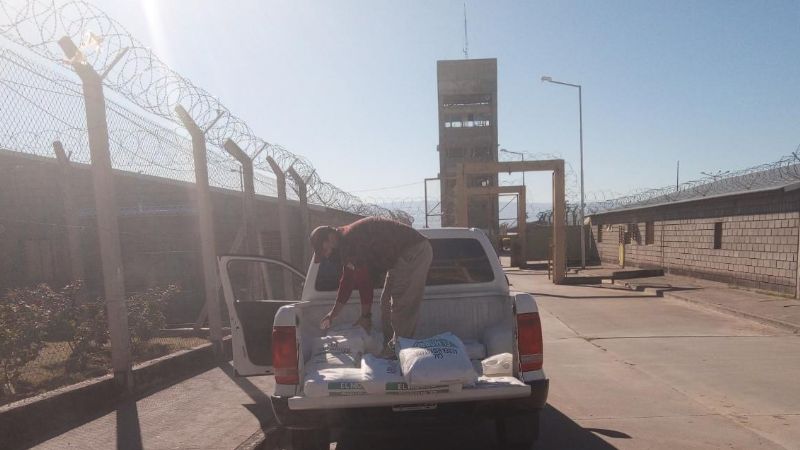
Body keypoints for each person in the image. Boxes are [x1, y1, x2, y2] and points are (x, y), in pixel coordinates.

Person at [310, 217, 433, 355]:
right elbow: (347, 281)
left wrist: (366, 316)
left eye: (325, 250)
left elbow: (364, 282)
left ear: (330, 237)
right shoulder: (345, 242)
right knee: (385, 303)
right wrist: (333, 314)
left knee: (401, 306)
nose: (327, 255)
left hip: (414, 251)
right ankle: (390, 347)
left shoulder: (350, 241)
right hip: (398, 258)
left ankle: (400, 354)